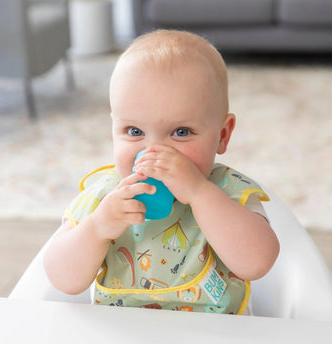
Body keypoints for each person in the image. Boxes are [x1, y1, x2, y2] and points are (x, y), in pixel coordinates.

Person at [44, 30, 279, 314]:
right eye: (134, 131)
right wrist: (97, 228)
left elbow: (256, 263)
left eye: (180, 132)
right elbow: (62, 280)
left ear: (222, 135)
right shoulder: (105, 196)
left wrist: (198, 193)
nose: (154, 152)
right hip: (123, 333)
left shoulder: (227, 192)